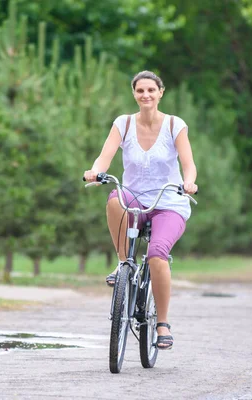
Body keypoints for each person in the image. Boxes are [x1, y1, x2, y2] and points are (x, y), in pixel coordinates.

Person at [83, 70, 198, 350]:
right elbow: (105, 155)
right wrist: (96, 171)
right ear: (134, 94)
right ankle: (124, 262)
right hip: (134, 197)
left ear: (161, 92)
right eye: (140, 91)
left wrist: (189, 182)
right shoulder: (123, 124)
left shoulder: (174, 125)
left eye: (151, 90)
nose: (145, 95)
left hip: (168, 201)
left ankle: (162, 325)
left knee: (157, 254)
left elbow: (189, 164)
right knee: (114, 197)